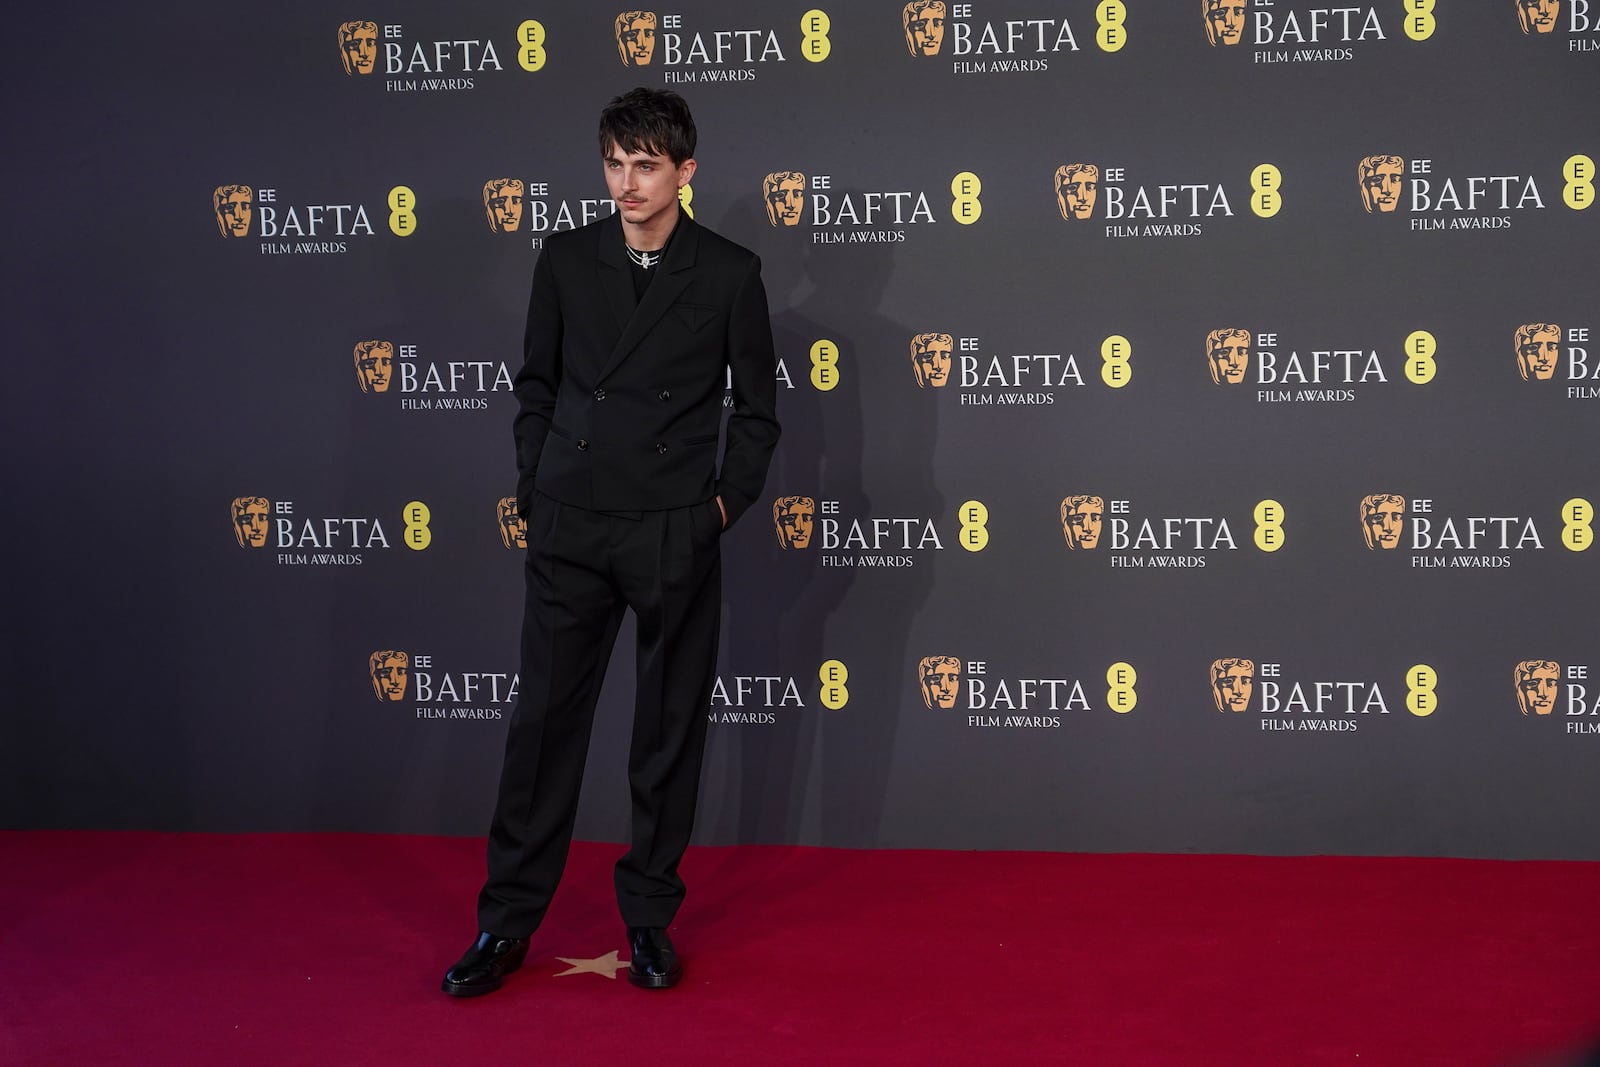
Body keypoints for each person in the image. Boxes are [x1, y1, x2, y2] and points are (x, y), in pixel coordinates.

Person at [442, 87, 781, 998]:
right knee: (543, 727)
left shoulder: (729, 273)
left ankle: (648, 921)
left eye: (646, 166)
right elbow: (535, 385)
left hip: (673, 528)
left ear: (686, 172)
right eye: (615, 164)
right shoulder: (564, 259)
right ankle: (505, 924)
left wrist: (716, 510)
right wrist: (536, 484)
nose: (627, 184)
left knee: (666, 732)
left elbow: (756, 413)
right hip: (572, 523)